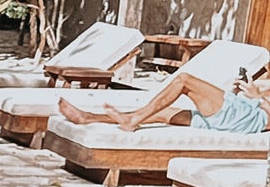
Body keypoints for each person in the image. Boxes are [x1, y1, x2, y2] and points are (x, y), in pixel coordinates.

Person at [57, 69, 270, 134]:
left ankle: (132, 121)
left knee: (184, 80)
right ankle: (89, 117)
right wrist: (240, 91)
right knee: (160, 113)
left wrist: (256, 96)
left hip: (245, 118)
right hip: (240, 114)